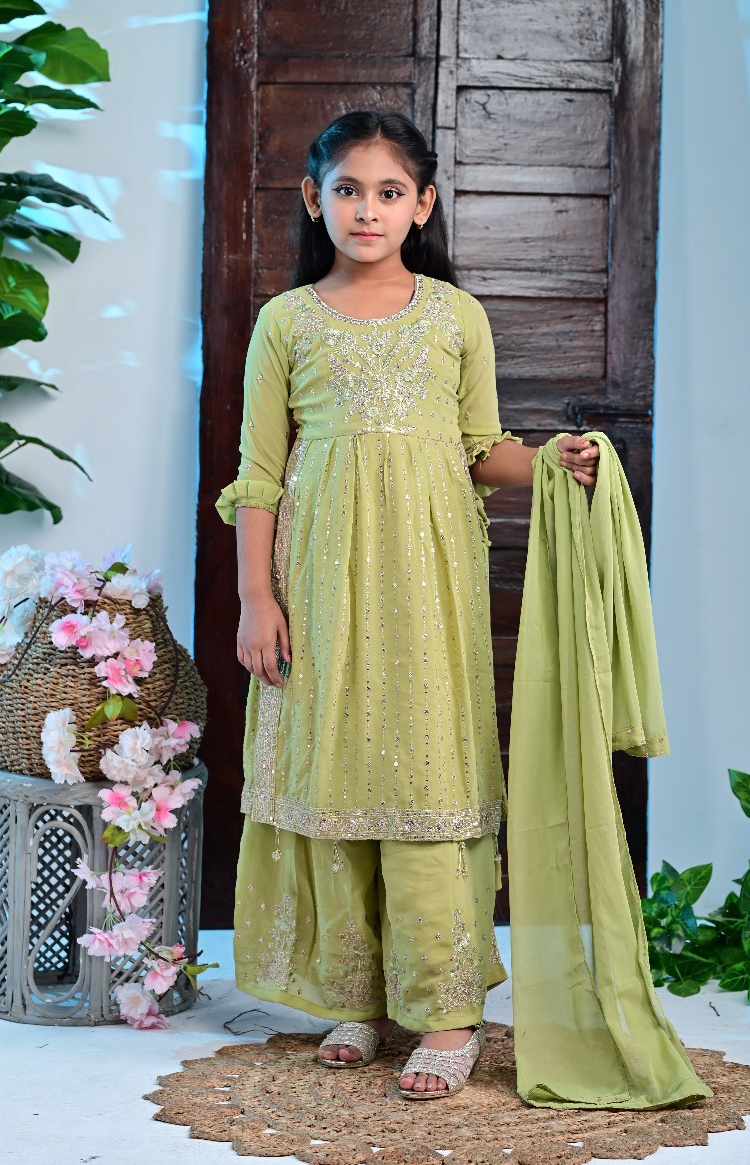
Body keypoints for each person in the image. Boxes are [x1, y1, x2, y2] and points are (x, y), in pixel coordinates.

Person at [215, 110, 600, 1100]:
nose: (367, 209)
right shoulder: (286, 322)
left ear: (421, 205)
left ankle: (445, 1010)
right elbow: (258, 475)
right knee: (335, 776)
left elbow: (480, 450)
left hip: (428, 590)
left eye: (389, 192)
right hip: (318, 587)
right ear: (314, 199)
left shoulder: (454, 316)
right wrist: (256, 598)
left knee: (427, 783)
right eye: (348, 190)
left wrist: (549, 461)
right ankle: (358, 996)